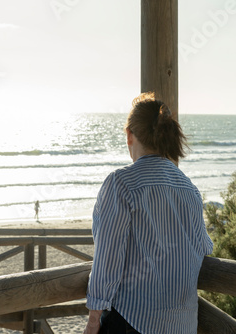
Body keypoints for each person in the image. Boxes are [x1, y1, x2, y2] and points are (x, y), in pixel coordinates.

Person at [84, 93, 213, 334]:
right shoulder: (189, 188)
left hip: (134, 322)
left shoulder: (121, 183)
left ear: (129, 135)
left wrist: (93, 321)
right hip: (182, 325)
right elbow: (203, 247)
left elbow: (108, 260)